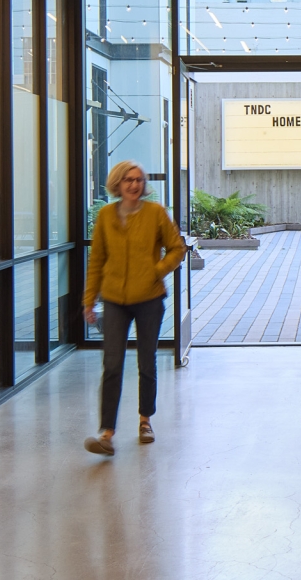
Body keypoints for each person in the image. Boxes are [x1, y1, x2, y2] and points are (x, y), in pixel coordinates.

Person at [82, 160, 186, 456]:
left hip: (150, 299)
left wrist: (157, 271)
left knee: (146, 361)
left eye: (139, 179)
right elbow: (97, 261)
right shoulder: (104, 216)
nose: (134, 184)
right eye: (128, 179)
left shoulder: (155, 213)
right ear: (118, 183)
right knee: (112, 364)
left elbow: (177, 247)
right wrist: (89, 300)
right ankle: (107, 432)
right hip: (115, 300)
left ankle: (145, 420)